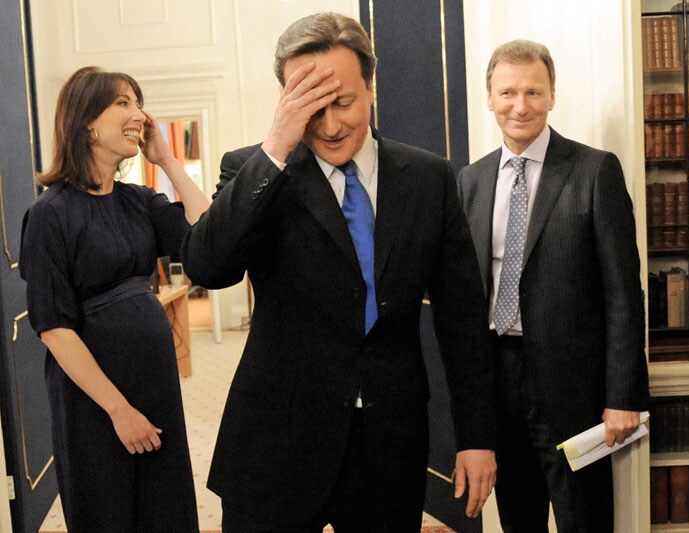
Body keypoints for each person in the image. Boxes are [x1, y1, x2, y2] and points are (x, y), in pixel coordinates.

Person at [181, 12, 496, 533]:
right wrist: (276, 148)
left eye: (343, 103)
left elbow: (462, 321)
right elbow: (209, 267)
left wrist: (477, 435)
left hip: (388, 444)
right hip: (275, 441)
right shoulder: (254, 170)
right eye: (311, 108)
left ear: (371, 87)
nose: (329, 126)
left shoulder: (428, 178)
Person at [457, 40, 649, 532]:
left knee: (584, 520)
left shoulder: (593, 171)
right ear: (489, 98)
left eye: (533, 92)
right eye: (507, 93)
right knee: (517, 517)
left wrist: (624, 394)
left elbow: (623, 294)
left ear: (552, 96)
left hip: (575, 391)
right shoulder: (471, 181)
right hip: (498, 380)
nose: (520, 106)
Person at [19, 66, 209, 532]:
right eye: (123, 102)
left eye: (138, 102)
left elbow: (208, 236)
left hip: (154, 381)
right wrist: (119, 410)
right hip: (97, 398)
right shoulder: (49, 214)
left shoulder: (138, 200)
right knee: (109, 508)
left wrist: (166, 160)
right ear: (86, 120)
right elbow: (54, 328)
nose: (139, 113)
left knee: (164, 506)